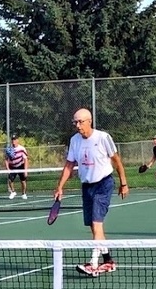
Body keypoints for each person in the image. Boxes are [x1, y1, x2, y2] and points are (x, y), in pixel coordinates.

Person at [54, 108, 128, 277]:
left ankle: (93, 264)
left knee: (96, 224)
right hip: (87, 186)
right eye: (75, 122)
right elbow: (69, 165)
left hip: (103, 184)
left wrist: (124, 182)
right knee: (94, 226)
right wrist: (60, 187)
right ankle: (108, 260)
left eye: (80, 122)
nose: (77, 125)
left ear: (90, 121)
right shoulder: (74, 140)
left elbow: (116, 161)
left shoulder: (103, 137)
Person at [6, 133, 29, 200]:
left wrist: (25, 170)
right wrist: (8, 169)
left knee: (23, 181)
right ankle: (13, 192)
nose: (13, 141)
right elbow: (6, 160)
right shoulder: (9, 149)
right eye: (12, 139)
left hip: (20, 166)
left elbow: (25, 160)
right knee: (10, 180)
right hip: (12, 167)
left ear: (17, 140)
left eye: (15, 139)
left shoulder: (22, 149)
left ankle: (23, 193)